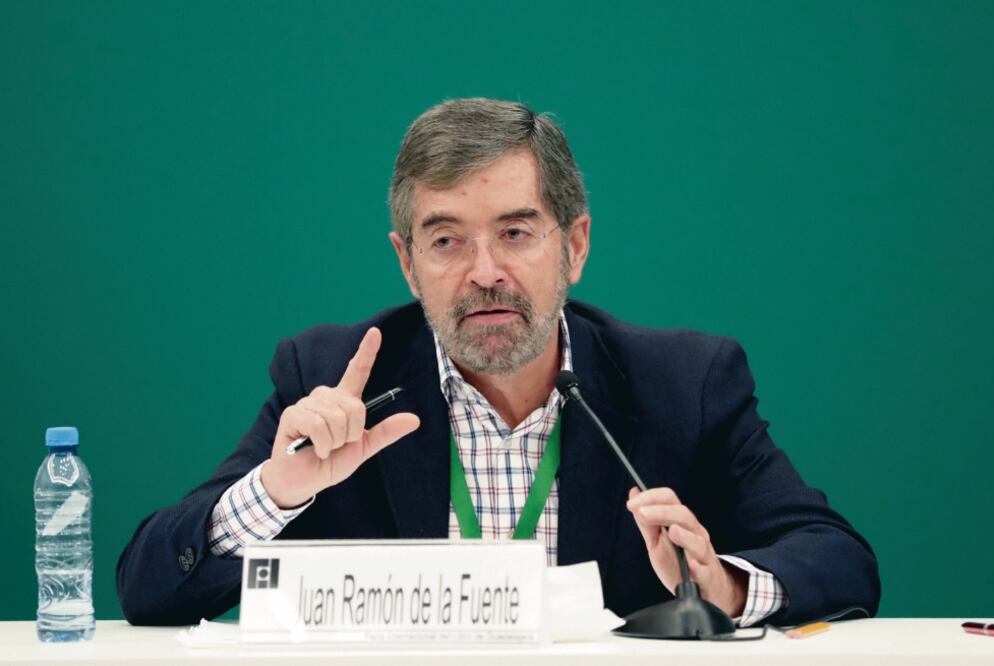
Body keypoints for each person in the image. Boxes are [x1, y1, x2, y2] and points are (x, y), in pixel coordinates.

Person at [117, 98, 880, 627]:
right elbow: (147, 587)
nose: (484, 272)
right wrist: (276, 493)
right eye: (446, 241)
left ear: (574, 245)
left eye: (515, 233)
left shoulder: (683, 384)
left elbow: (839, 561)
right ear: (408, 264)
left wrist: (721, 585)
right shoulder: (331, 377)